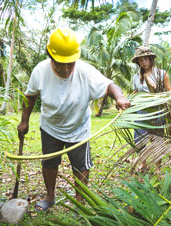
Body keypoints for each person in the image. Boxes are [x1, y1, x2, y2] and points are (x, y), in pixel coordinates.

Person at [17, 27, 130, 211]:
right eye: (60, 63)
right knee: (49, 162)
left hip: (78, 128)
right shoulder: (40, 70)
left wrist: (120, 98)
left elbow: (109, 85)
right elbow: (30, 96)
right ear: (50, 56)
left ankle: (80, 202)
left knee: (81, 166)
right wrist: (24, 121)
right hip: (50, 127)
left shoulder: (86, 71)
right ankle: (50, 196)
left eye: (70, 63)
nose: (66, 68)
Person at [131, 46, 171, 171]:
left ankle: (158, 166)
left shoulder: (161, 73)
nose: (144, 62)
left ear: (150, 59)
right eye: (141, 60)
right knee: (139, 138)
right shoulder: (136, 77)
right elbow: (135, 92)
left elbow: (169, 92)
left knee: (157, 139)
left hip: (157, 110)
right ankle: (143, 163)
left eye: (146, 59)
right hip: (141, 111)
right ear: (138, 62)